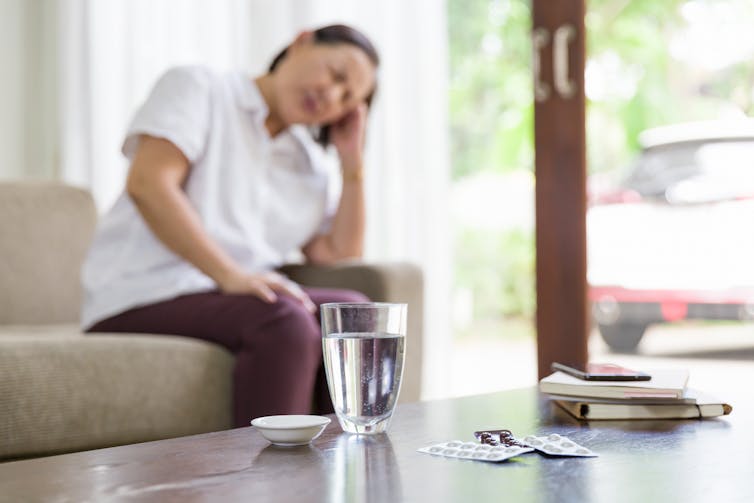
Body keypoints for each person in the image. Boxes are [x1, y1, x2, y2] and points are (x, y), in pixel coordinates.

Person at [81, 24, 380, 427]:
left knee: (354, 317)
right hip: (144, 291)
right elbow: (149, 184)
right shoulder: (200, 88)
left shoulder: (307, 165)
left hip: (233, 300)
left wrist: (352, 166)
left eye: (347, 98)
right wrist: (230, 275)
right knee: (285, 321)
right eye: (336, 74)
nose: (332, 95)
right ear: (301, 41)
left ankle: (339, 476)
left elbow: (337, 251)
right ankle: (265, 485)